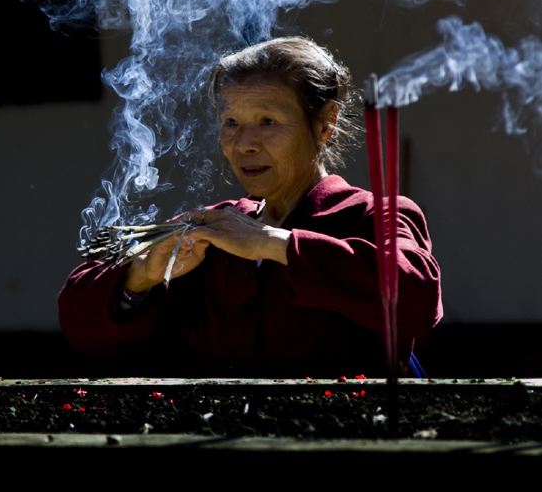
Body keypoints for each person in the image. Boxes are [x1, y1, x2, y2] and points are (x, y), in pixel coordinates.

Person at [59, 36, 442, 375]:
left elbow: (418, 300)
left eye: (268, 121)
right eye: (230, 121)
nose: (244, 144)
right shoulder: (219, 228)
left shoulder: (374, 215)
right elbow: (80, 326)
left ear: (326, 123)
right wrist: (142, 274)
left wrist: (275, 244)